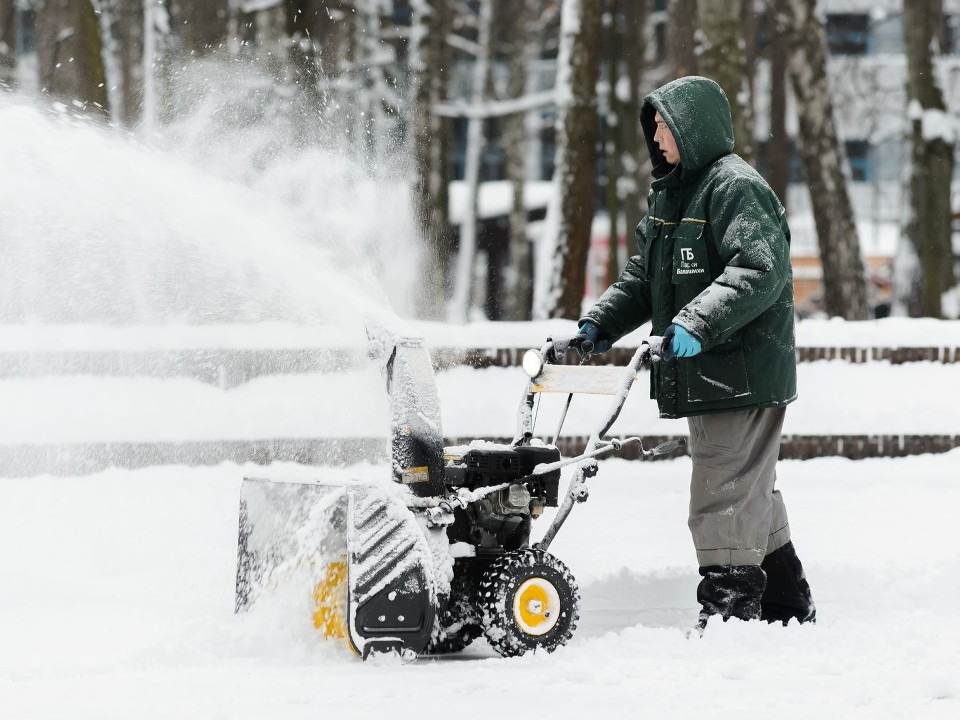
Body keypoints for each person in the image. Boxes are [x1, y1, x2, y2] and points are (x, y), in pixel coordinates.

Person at [578, 76, 815, 632]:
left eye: (664, 125)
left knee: (723, 486)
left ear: (693, 127)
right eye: (653, 126)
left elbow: (757, 271)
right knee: (746, 483)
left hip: (741, 368)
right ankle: (785, 604)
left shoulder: (735, 187)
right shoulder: (673, 194)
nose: (656, 137)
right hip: (714, 370)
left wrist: (695, 323)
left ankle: (731, 614)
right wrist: (599, 325)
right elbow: (644, 278)